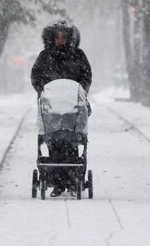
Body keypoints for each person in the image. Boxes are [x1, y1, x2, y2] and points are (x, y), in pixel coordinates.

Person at [31, 20, 92, 197]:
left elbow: (86, 76)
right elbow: (36, 77)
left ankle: (72, 181)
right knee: (54, 144)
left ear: (70, 39)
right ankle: (58, 182)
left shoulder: (78, 56)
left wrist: (81, 92)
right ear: (51, 38)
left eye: (64, 37)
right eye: (57, 37)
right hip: (52, 107)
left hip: (73, 106)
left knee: (72, 143)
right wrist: (44, 91)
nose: (60, 40)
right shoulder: (45, 57)